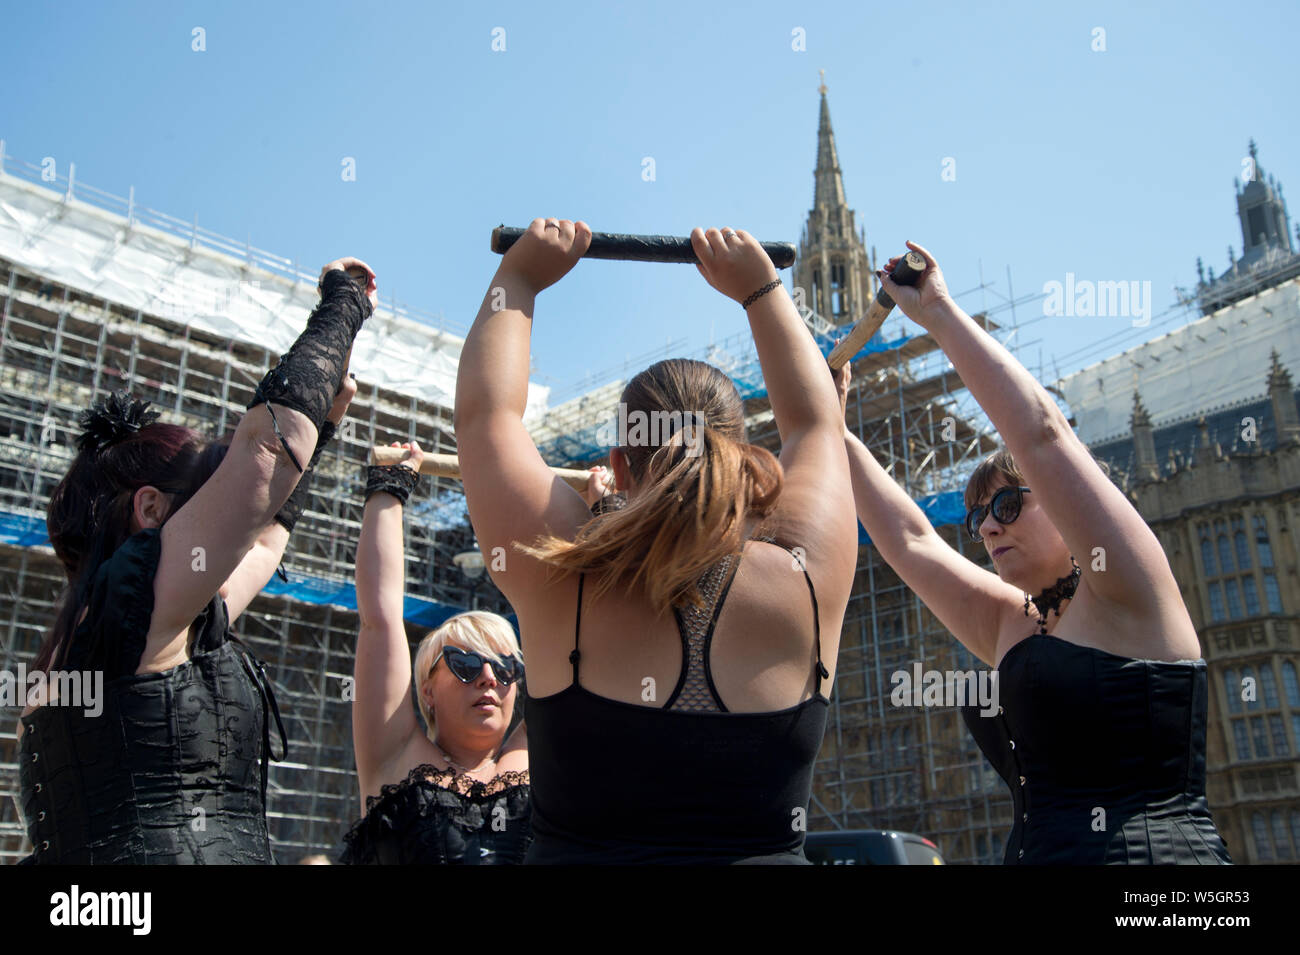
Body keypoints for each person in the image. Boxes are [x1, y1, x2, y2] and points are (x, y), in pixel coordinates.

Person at [455, 219, 857, 863]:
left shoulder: (561, 573)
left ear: (617, 464)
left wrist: (520, 277)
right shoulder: (806, 578)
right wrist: (761, 291)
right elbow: (815, 426)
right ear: (742, 456)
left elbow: (486, 415)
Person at [834, 241, 1231, 864]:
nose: (989, 527)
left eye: (1009, 505)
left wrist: (937, 312)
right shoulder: (1014, 623)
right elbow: (909, 541)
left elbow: (1042, 436)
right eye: (978, 516)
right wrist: (830, 423)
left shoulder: (1128, 591)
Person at [16, 258, 376, 863]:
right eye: (202, 497)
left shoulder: (143, 624)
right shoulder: (134, 606)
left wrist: (327, 422)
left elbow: (264, 540)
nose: (221, 508)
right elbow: (265, 454)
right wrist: (344, 304)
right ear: (152, 508)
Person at [341, 441, 530, 864]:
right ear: (427, 690)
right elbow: (380, 618)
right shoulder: (396, 754)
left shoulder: (535, 758)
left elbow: (580, 635)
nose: (488, 677)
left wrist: (602, 511)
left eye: (505, 669)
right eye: (464, 665)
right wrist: (390, 487)